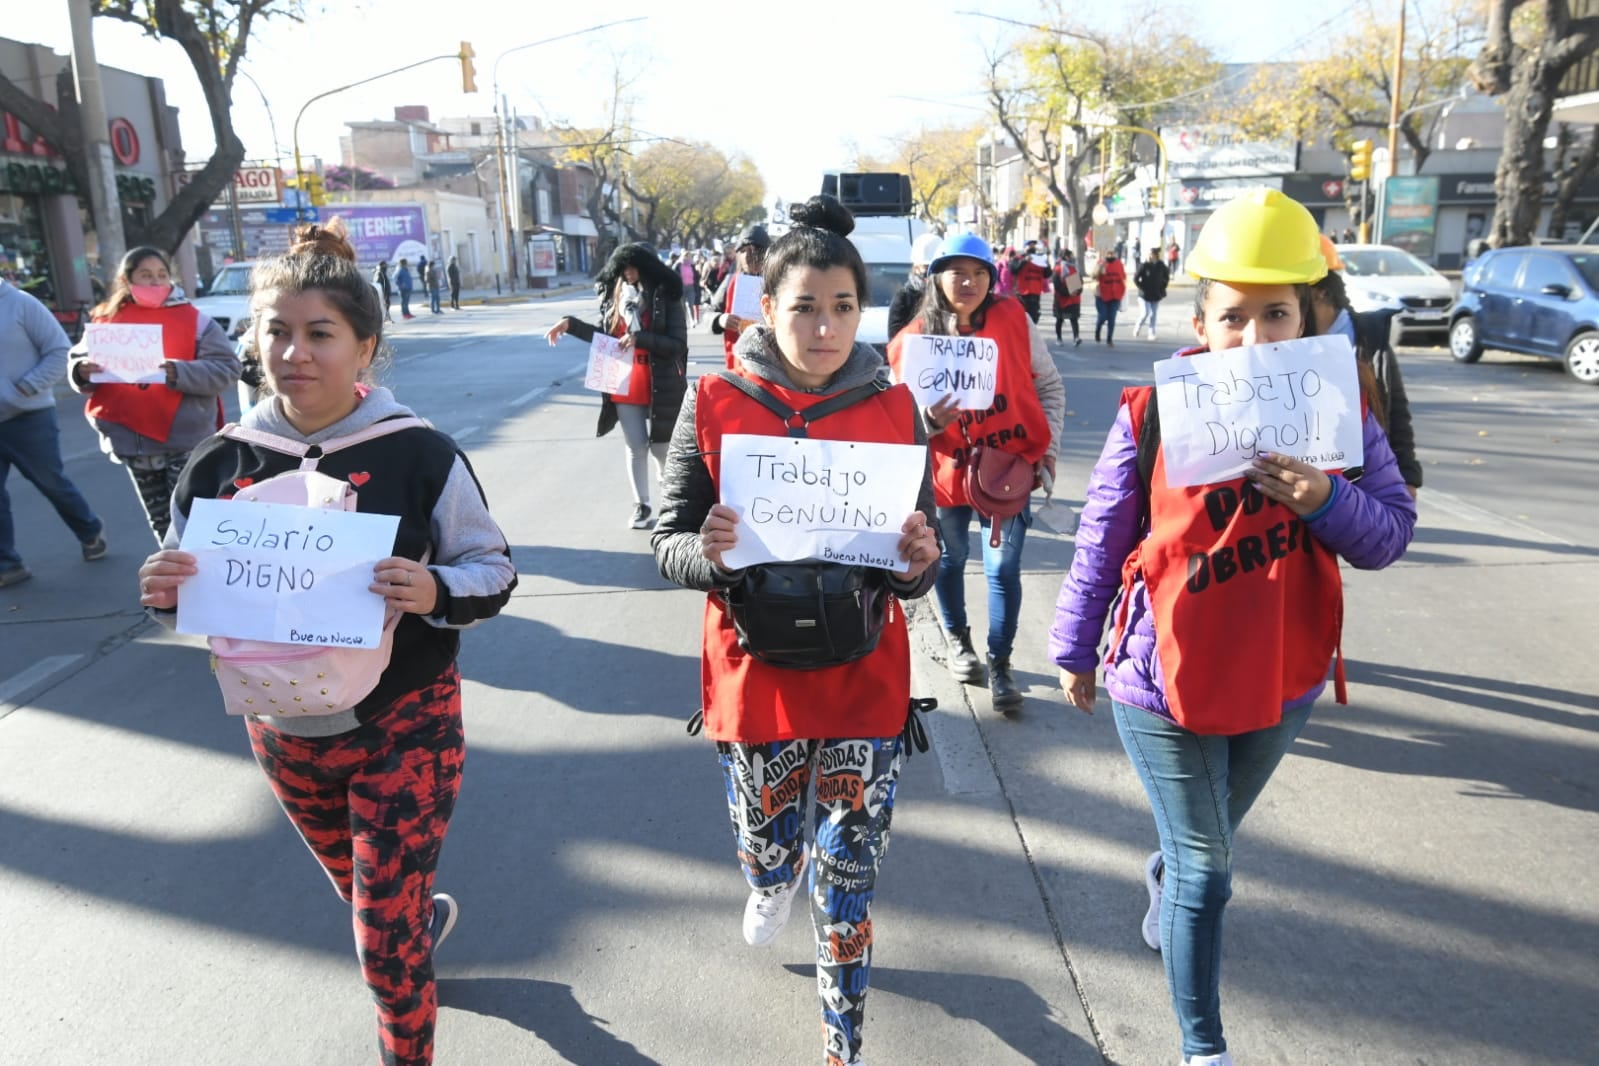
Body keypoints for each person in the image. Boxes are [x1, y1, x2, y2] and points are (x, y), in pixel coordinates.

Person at [135, 221, 517, 1066]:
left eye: (319, 334)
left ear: (365, 347)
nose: (294, 353)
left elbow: (491, 566)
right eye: (276, 331)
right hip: (282, 733)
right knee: (373, 903)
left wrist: (436, 589)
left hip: (405, 725)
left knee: (379, 949)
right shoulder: (219, 462)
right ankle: (411, 921)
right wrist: (165, 593)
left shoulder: (419, 454)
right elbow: (192, 598)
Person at [1051, 188, 1416, 1066]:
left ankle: (1167, 872)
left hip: (1280, 677)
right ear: (1200, 321)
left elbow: (1390, 535)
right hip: (1159, 678)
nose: (1256, 339)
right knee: (1210, 873)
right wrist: (1072, 650)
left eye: (1277, 315)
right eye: (1234, 318)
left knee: (1197, 850)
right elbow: (1102, 536)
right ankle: (1201, 1047)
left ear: (1308, 315)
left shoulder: (1340, 411)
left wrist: (1326, 498)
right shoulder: (1150, 412)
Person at [652, 194, 940, 1066]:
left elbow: (915, 561)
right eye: (803, 307)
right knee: (767, 846)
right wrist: (711, 557)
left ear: (864, 312)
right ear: (764, 307)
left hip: (864, 678)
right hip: (756, 674)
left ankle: (841, 1043)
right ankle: (770, 877)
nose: (823, 328)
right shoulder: (712, 405)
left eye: (843, 308)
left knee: (848, 880)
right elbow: (668, 541)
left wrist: (917, 558)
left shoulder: (896, 409)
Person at [888, 233, 1064, 712]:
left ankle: (1001, 663)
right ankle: (959, 641)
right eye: (957, 273)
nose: (969, 282)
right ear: (935, 278)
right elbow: (893, 421)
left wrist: (1047, 453)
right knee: (947, 559)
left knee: (1004, 567)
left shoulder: (1014, 320)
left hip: (1009, 469)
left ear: (992, 278)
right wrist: (928, 423)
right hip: (944, 476)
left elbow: (1049, 386)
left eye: (980, 273)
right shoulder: (914, 340)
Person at [69, 246, 240, 543]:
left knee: (188, 522)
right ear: (127, 280)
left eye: (161, 275)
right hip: (132, 442)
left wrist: (179, 372)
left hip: (185, 441)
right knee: (161, 522)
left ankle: (197, 578)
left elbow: (227, 369)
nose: (155, 283)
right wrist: (81, 370)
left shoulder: (197, 321)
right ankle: (172, 578)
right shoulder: (106, 322)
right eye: (146, 276)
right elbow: (79, 360)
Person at [545, 243, 688, 529]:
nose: (629, 273)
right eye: (624, 268)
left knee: (662, 448)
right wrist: (570, 325)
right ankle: (642, 505)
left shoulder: (666, 295)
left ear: (647, 267)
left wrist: (641, 338)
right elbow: (605, 338)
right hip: (623, 380)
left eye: (635, 266)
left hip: (662, 381)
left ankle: (671, 503)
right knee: (635, 446)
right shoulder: (615, 297)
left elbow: (677, 345)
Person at [0, 274, 107, 587]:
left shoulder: (21, 304)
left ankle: (90, 530)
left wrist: (26, 386)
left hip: (28, 416)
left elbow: (59, 350)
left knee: (50, 481)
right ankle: (7, 563)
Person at [1311, 236, 1422, 496]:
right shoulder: (1289, 341)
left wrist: (1408, 477)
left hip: (1367, 480)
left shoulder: (1370, 338)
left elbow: (1396, 412)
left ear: (1321, 293)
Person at [708, 224, 770, 370]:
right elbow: (710, 313)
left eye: (753, 251)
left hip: (771, 363)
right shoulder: (730, 281)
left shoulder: (778, 283)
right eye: (742, 251)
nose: (747, 256)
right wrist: (720, 319)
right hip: (737, 363)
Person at [887, 231, 944, 342]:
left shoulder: (948, 295)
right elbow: (896, 341)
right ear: (916, 266)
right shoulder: (904, 297)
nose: (931, 273)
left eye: (936, 268)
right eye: (926, 267)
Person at [1134, 247, 1172, 341]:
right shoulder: (1144, 265)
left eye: (1152, 254)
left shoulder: (1161, 265)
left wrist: (1162, 287)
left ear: (1156, 255)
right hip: (1144, 295)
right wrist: (1141, 288)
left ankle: (1151, 333)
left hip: (1155, 294)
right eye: (1149, 254)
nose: (1150, 256)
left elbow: (1166, 277)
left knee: (1153, 314)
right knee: (1145, 313)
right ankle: (1138, 327)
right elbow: (1135, 279)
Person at [1094, 249, 1127, 347]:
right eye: (1109, 253)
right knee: (1103, 316)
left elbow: (1123, 277)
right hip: (1102, 295)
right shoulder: (1101, 263)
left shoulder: (1118, 264)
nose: (1111, 255)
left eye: (1112, 253)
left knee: (1112, 318)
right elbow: (1094, 276)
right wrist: (1100, 267)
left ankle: (1109, 339)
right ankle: (1098, 329)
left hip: (1115, 295)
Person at [1013, 240, 1050, 324]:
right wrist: (1024, 260)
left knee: (1034, 316)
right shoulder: (1019, 258)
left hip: (1035, 292)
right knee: (1022, 314)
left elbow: (1047, 274)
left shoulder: (1039, 259)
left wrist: (1046, 263)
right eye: (1030, 245)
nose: (1032, 247)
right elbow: (1013, 269)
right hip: (1022, 292)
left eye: (1033, 245)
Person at [1052, 250, 1083, 346]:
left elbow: (1080, 282)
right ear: (1065, 256)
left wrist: (1078, 290)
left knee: (1074, 319)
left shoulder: (1074, 268)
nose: (1071, 257)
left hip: (1074, 299)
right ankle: (1059, 338)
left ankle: (1076, 337)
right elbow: (1057, 285)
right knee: (1060, 319)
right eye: (1070, 256)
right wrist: (1067, 292)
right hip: (1061, 298)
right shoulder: (1058, 269)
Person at [677, 251, 701, 327]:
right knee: (682, 305)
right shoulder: (678, 265)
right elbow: (674, 274)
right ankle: (683, 322)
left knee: (691, 304)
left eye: (689, 256)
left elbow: (696, 277)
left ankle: (692, 321)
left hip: (691, 287)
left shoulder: (692, 266)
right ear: (682, 256)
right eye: (686, 256)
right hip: (681, 287)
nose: (687, 257)